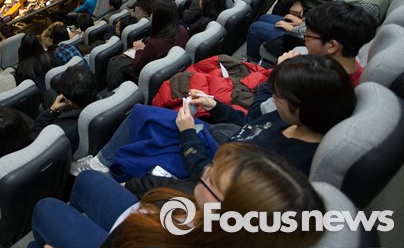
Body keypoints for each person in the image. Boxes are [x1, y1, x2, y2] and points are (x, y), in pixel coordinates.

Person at [73, 54, 355, 180]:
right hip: (219, 140)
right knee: (141, 114)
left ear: (300, 105)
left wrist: (188, 134)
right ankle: (101, 162)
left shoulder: (287, 162)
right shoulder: (294, 121)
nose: (273, 100)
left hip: (207, 161)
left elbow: (210, 178)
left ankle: (101, 168)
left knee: (139, 145)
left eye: (278, 96)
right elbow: (248, 126)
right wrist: (214, 104)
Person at [32, 143, 325, 248]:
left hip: (129, 237)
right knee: (86, 179)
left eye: (212, 177)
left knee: (46, 208)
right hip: (141, 224)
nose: (206, 170)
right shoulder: (214, 220)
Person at [107, 0, 188, 90]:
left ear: (159, 18)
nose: (151, 15)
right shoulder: (182, 30)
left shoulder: (154, 44)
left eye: (153, 12)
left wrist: (139, 49)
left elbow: (138, 65)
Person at [31, 64, 97, 151]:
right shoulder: (106, 99)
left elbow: (34, 135)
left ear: (69, 101)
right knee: (49, 93)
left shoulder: (59, 131)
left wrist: (52, 111)